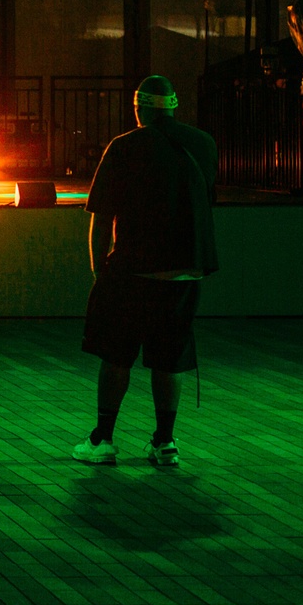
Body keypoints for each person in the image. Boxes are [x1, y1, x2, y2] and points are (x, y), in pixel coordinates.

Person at [72, 74, 219, 468]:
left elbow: (101, 218)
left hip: (133, 271)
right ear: (172, 106)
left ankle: (103, 439)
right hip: (187, 272)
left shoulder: (124, 147)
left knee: (116, 354)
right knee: (171, 358)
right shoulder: (204, 144)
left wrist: (98, 269)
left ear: (138, 109)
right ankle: (165, 442)